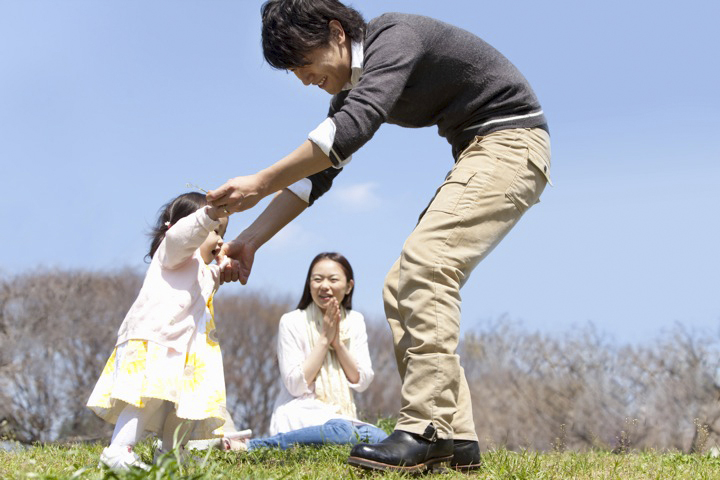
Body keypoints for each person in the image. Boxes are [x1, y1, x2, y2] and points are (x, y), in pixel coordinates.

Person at [207, 0, 552, 473]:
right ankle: (457, 439)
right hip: (481, 150)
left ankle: (425, 429)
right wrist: (250, 240)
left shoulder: (394, 36)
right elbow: (316, 177)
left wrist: (261, 179)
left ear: (336, 33)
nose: (303, 79)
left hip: (511, 142)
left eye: (303, 63)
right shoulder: (355, 86)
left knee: (425, 269)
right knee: (401, 284)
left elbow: (351, 127)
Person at [87, 192, 237, 470]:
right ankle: (118, 449)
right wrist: (207, 216)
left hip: (186, 351)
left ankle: (170, 455)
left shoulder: (202, 270)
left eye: (223, 232)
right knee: (146, 398)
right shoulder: (173, 253)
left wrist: (226, 266)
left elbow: (212, 278)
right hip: (155, 340)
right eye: (214, 230)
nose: (219, 239)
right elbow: (182, 237)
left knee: (184, 407)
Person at [223, 252, 387, 452]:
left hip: (342, 416)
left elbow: (362, 380)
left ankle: (335, 437)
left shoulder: (355, 321)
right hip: (301, 411)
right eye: (317, 279)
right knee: (342, 432)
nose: (324, 286)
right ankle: (253, 447)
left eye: (333, 279)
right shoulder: (291, 321)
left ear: (349, 286)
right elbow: (295, 385)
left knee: (380, 436)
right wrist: (324, 339)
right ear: (309, 284)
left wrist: (337, 344)